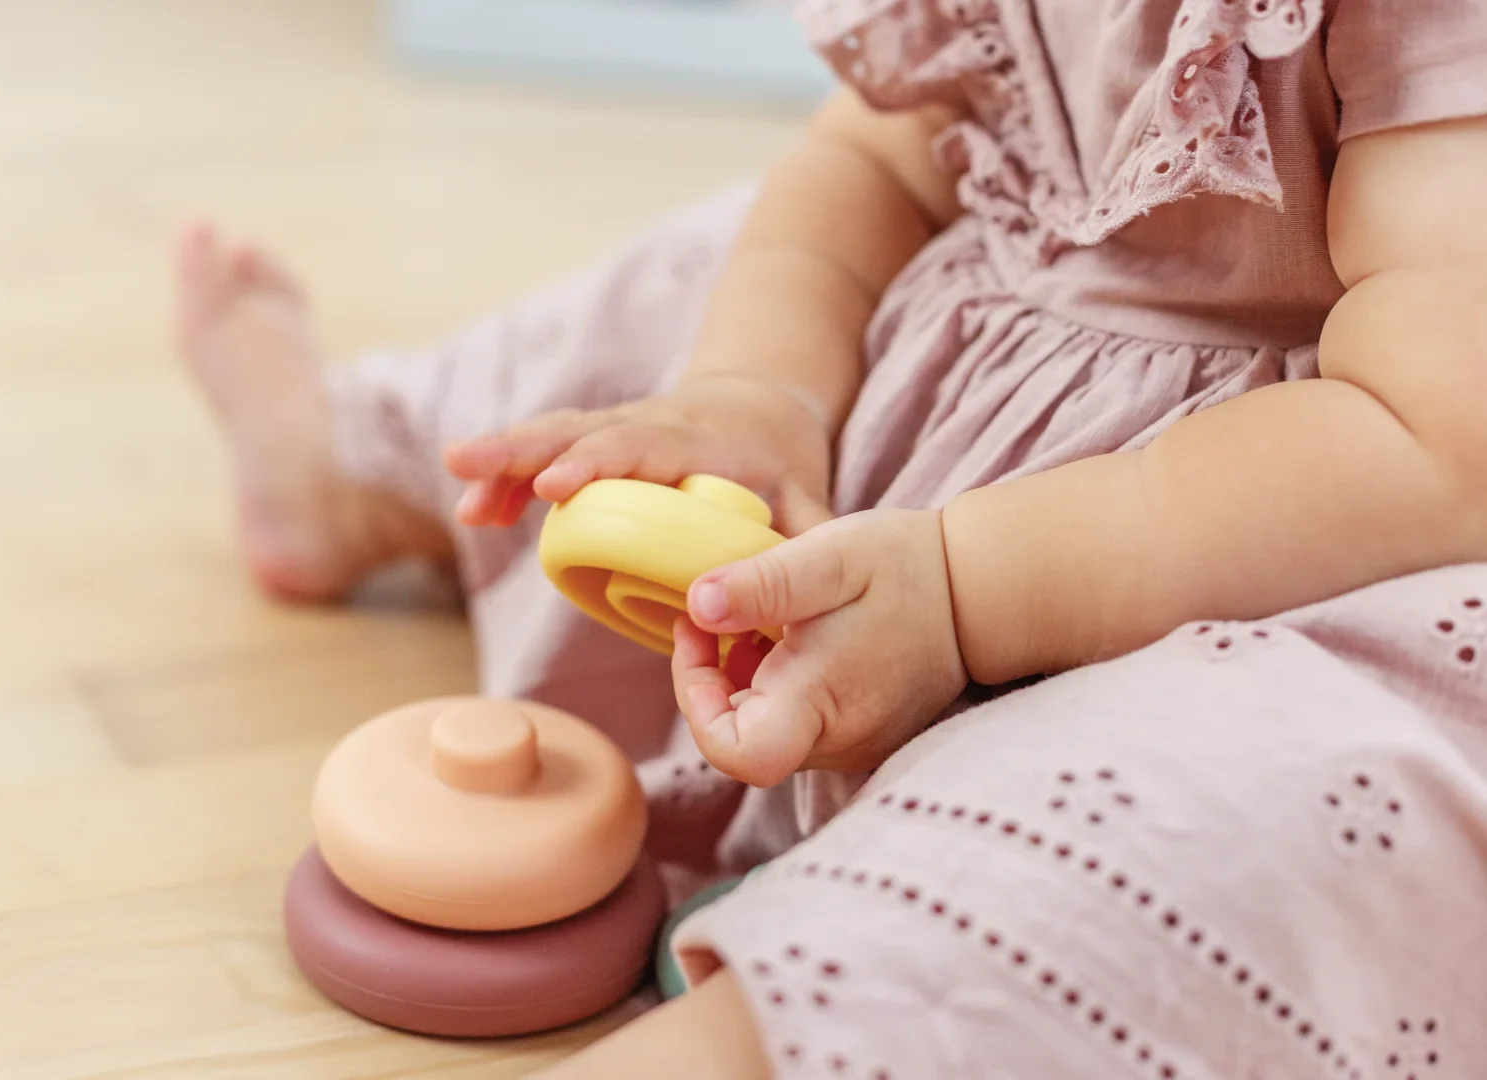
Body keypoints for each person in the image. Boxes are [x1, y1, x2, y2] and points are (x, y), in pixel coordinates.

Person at [178, 0, 1487, 1073]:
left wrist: (976, 590)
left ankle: (789, 1022)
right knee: (703, 283)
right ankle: (363, 470)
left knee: (1244, 816)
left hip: (1289, 532)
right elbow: (865, 162)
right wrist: (762, 394)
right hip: (977, 377)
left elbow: (1435, 442)